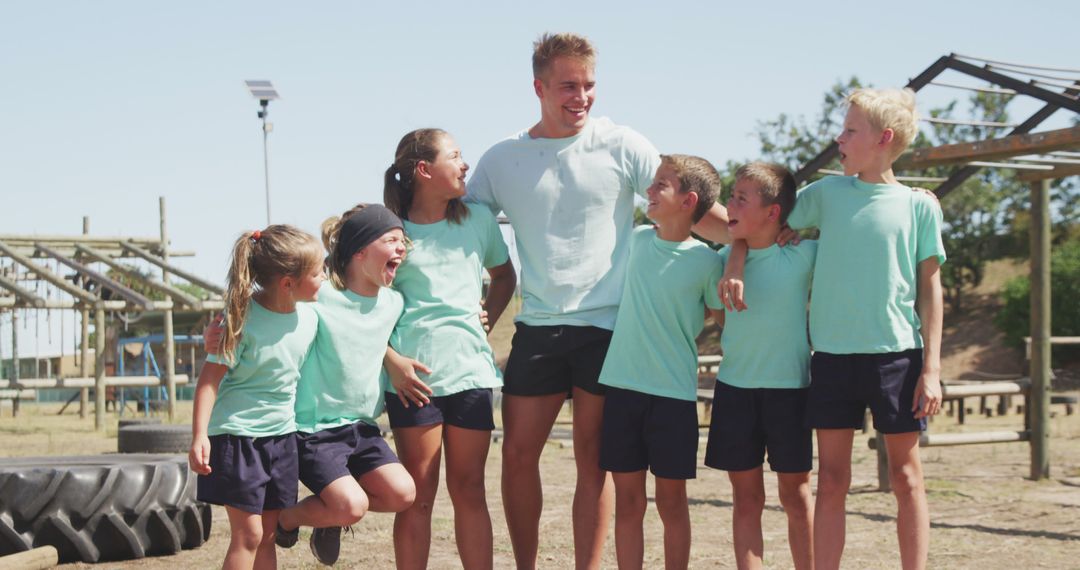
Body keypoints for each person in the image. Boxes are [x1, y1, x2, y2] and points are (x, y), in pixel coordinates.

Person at [466, 32, 732, 569]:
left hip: (611, 331)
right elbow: (462, 230)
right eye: (568, 86)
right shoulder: (501, 159)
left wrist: (760, 236)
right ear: (538, 87)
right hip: (537, 327)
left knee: (594, 461)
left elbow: (690, 206)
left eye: (589, 86)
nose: (581, 97)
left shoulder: (623, 144)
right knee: (517, 457)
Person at [741, 88, 944, 570]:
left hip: (898, 356)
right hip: (831, 358)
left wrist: (931, 368)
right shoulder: (827, 194)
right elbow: (762, 222)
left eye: (850, 131)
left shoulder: (919, 206)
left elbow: (931, 290)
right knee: (832, 480)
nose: (839, 139)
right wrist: (746, 250)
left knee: (906, 478)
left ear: (883, 139)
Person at [206, 204, 418, 566]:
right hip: (313, 430)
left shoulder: (395, 302)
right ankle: (303, 516)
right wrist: (217, 330)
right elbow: (270, 308)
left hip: (363, 428)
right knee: (348, 506)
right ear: (359, 251)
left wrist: (393, 357)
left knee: (403, 494)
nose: (402, 248)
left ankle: (312, 516)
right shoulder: (319, 298)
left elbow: (366, 335)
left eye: (404, 242)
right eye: (392, 240)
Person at [380, 128, 517, 570]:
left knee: (471, 492)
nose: (465, 165)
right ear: (424, 170)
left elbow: (504, 277)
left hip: (472, 375)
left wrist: (486, 318)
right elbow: (360, 307)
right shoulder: (388, 231)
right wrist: (392, 361)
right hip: (413, 381)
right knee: (417, 499)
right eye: (455, 156)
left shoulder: (478, 220)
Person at [596, 154, 723, 570]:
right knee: (628, 503)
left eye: (660, 185)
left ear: (688, 201)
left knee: (672, 503)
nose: (649, 190)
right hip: (622, 389)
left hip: (674, 395)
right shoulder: (633, 241)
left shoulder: (708, 261)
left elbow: (718, 315)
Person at [189, 224, 324, 570]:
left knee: (266, 536)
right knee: (247, 535)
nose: (325, 278)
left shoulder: (311, 316)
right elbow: (208, 381)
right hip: (238, 439)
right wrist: (199, 436)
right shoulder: (237, 319)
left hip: (282, 440)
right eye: (318, 271)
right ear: (288, 283)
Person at [703, 163, 815, 570]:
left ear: (773, 213)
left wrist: (920, 198)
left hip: (792, 391)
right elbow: (721, 319)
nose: (728, 204)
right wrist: (737, 251)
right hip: (735, 390)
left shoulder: (805, 254)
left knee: (796, 497)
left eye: (740, 198)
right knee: (746, 499)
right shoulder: (720, 260)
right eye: (730, 195)